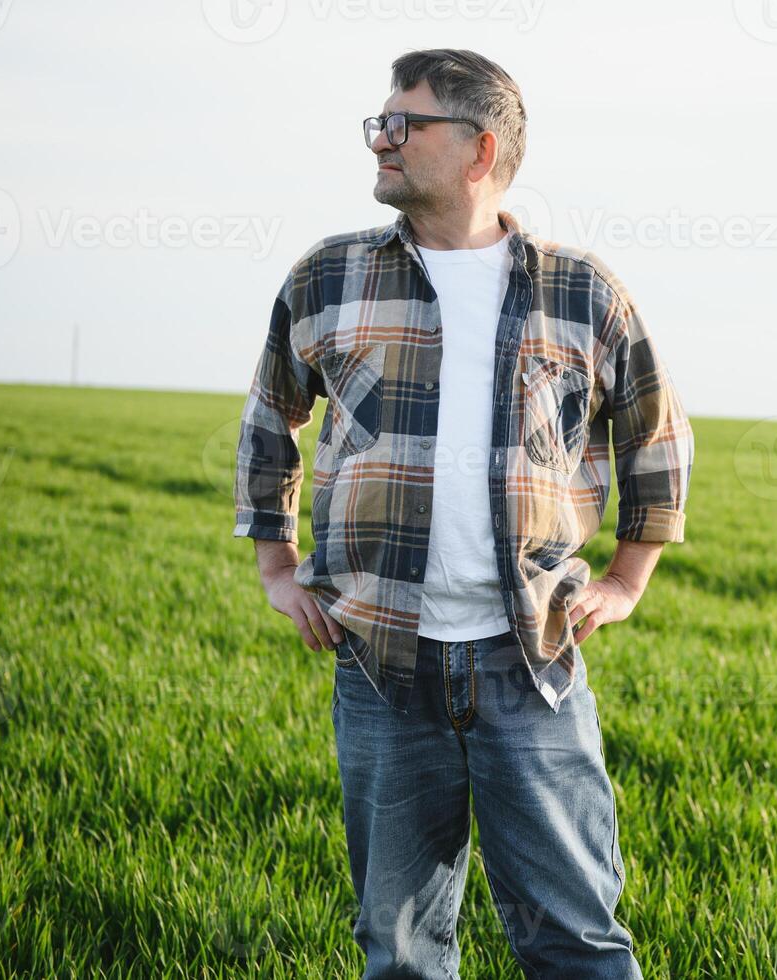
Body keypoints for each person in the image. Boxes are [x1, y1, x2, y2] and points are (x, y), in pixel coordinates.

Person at [232, 47, 693, 979]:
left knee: (575, 941)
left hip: (530, 662)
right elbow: (268, 416)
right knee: (398, 950)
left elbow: (656, 435)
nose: (382, 139)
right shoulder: (328, 277)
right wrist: (276, 566)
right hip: (380, 666)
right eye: (380, 122)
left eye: (406, 124)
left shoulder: (581, 289)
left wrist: (626, 579)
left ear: (480, 150)